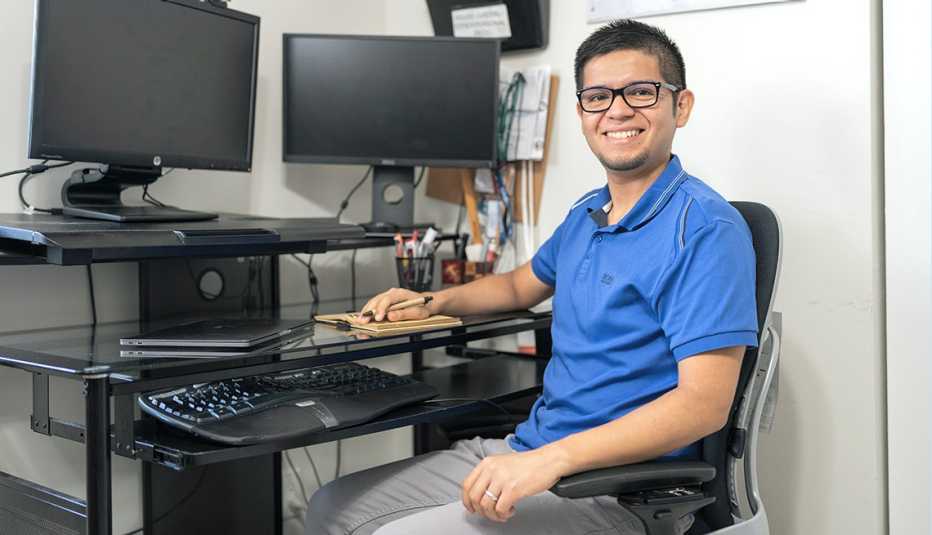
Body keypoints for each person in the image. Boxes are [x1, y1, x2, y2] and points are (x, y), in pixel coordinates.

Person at [306, 18, 758, 535]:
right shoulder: (589, 213)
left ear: (681, 105)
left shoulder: (704, 229)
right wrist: (431, 301)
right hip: (535, 450)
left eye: (640, 92)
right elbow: (519, 286)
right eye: (598, 96)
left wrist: (551, 461)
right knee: (330, 508)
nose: (617, 109)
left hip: (622, 487)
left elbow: (702, 407)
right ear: (583, 112)